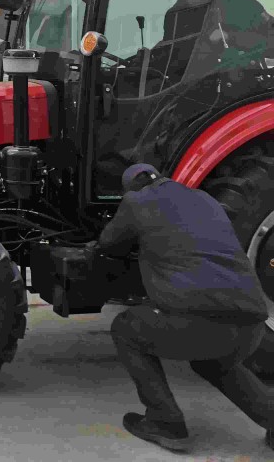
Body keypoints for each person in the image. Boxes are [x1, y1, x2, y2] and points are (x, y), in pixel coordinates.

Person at [90, 163, 273, 453]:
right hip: (252, 324)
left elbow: (108, 242)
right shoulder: (204, 199)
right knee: (213, 360)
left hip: (200, 321)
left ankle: (165, 421)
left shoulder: (137, 200)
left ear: (130, 187)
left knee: (126, 329)